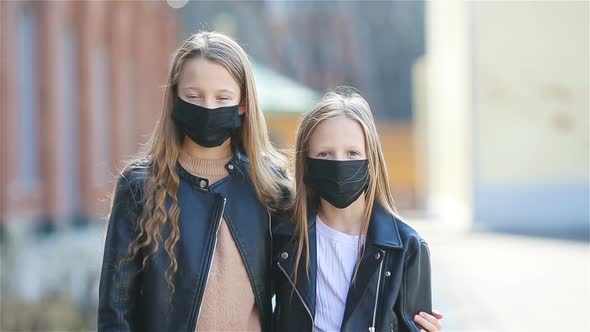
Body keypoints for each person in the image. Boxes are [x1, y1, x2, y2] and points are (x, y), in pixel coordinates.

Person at [98, 31, 291, 332]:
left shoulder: (269, 182)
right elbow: (116, 309)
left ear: (243, 103)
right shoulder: (140, 186)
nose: (208, 107)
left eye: (222, 97)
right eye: (194, 96)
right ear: (175, 97)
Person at [273, 87, 443, 332]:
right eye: (325, 154)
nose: (340, 163)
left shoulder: (407, 247)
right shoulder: (284, 236)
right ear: (307, 162)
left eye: (352, 153)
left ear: (371, 158)